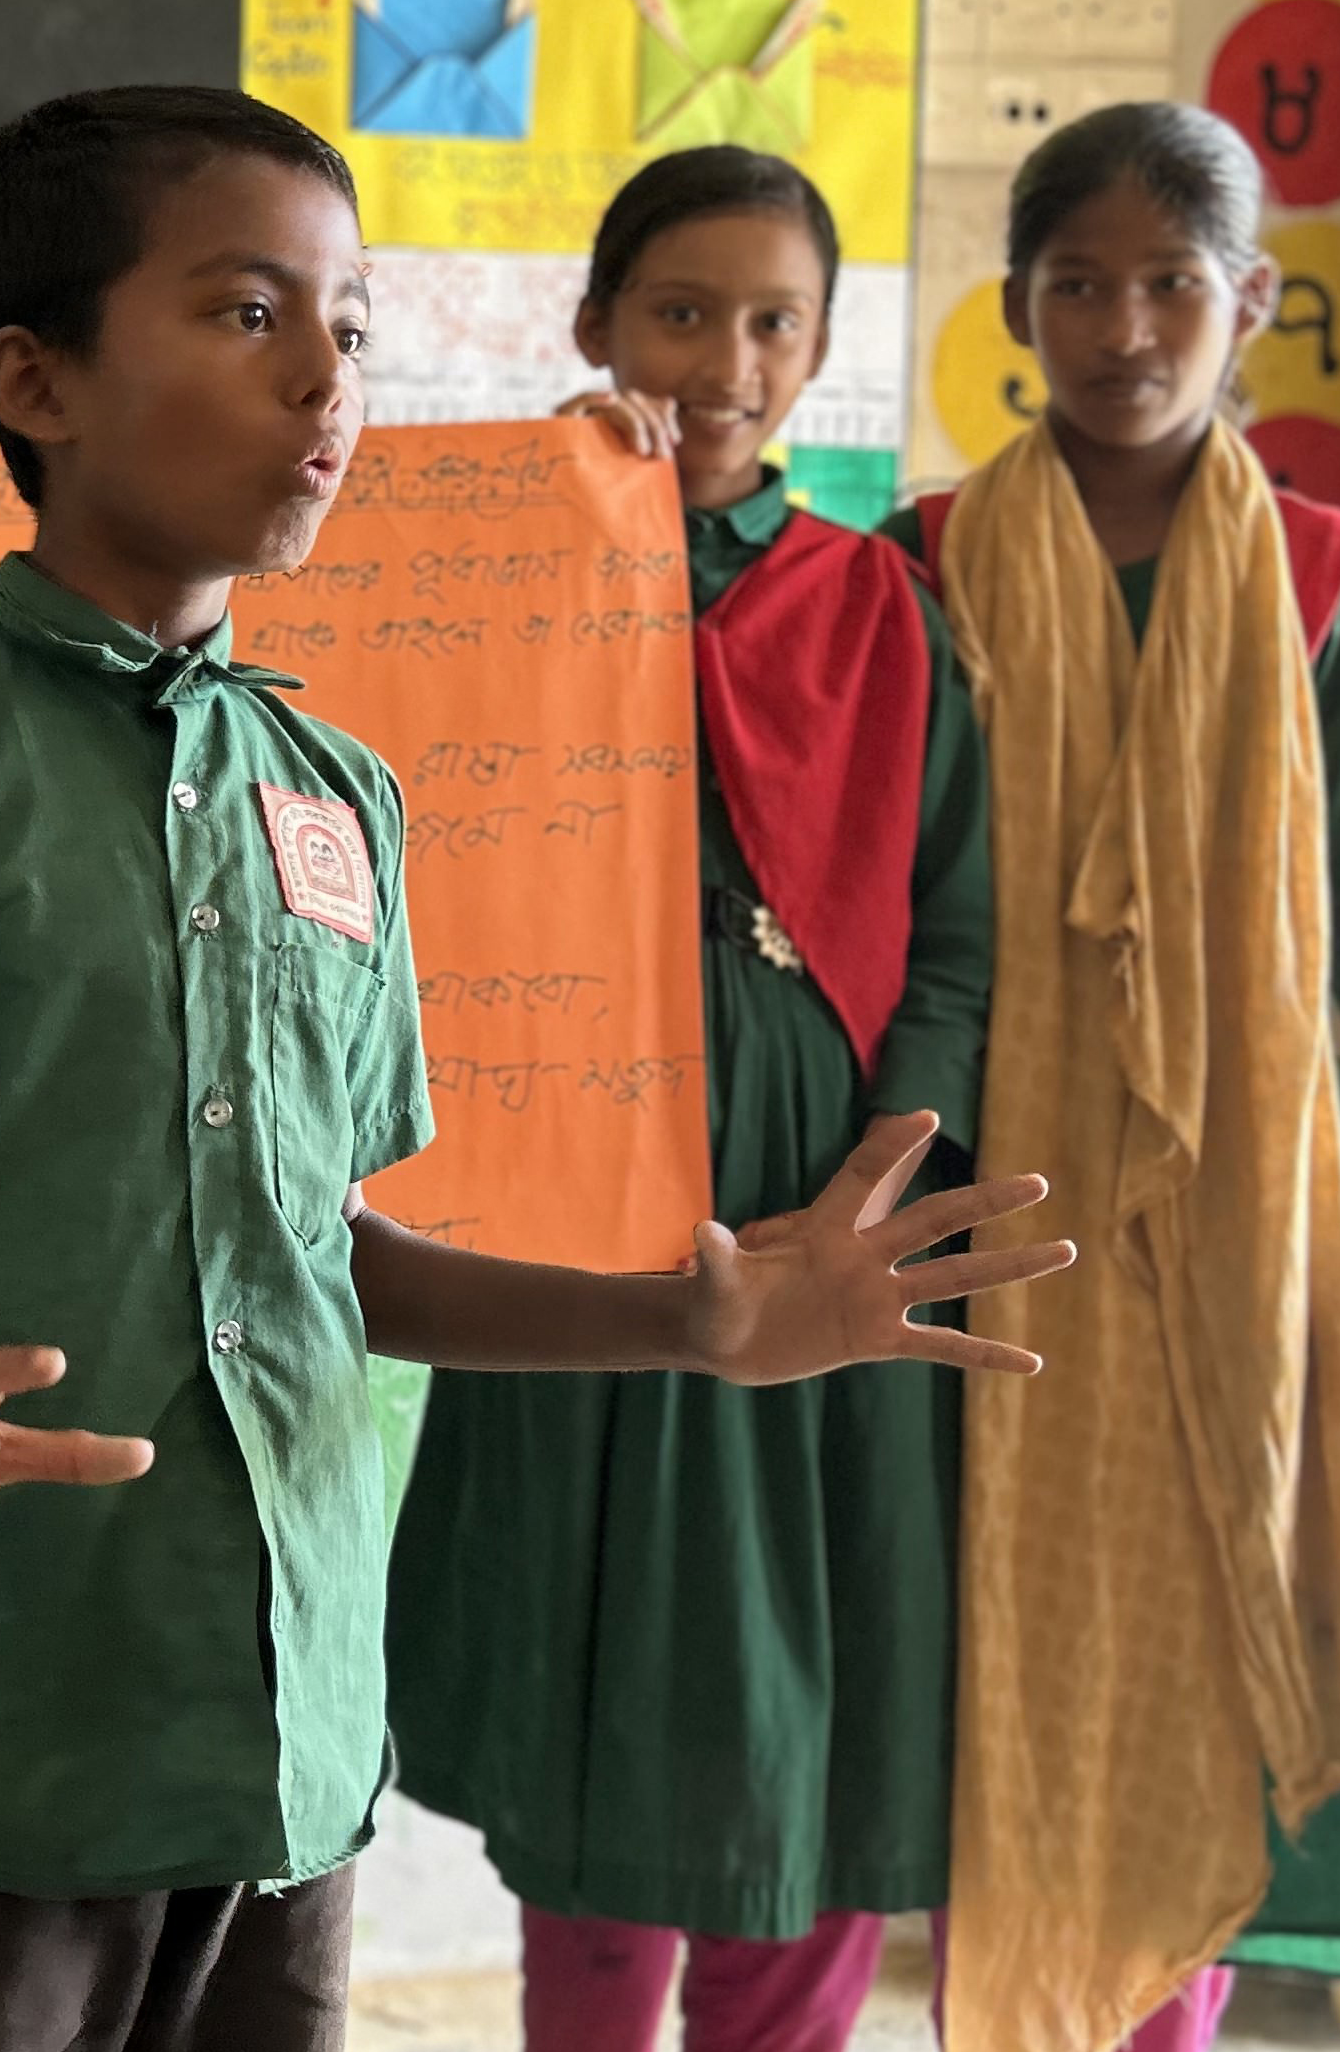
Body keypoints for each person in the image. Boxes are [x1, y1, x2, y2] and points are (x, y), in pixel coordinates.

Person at [0, 85, 1083, 2052]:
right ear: (35, 380)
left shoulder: (341, 793)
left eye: (355, 325)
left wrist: (690, 1323)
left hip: (286, 1749)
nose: (329, 377)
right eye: (247, 315)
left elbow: (336, 1256)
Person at [884, 102, 1340, 2052]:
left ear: (1249, 300)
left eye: (1172, 281)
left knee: (1195, 1656)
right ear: (1014, 308)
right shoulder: (928, 563)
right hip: (997, 1197)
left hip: (1248, 1202)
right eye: (1077, 284)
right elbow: (894, 900)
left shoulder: (1323, 577)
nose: (1124, 326)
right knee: (997, 1665)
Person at [386, 147, 991, 2052]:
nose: (726, 358)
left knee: (802, 1709)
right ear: (594, 328)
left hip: (834, 1205)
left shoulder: (881, 603)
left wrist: (866, 1203)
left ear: (819, 353)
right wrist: (573, 520)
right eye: (679, 311)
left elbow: (958, 936)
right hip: (583, 1196)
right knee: (597, 1692)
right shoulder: (507, 568)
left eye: (773, 321)